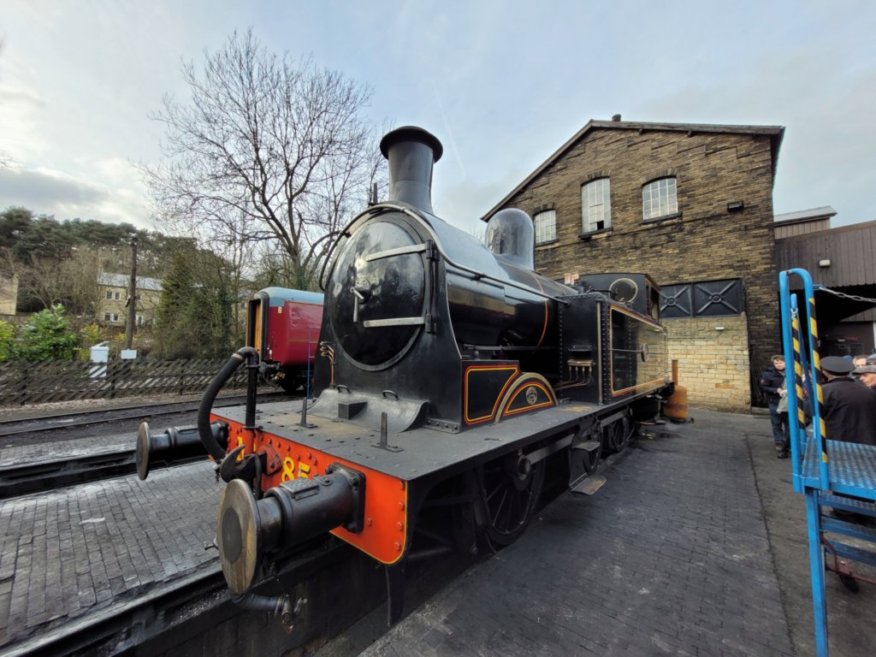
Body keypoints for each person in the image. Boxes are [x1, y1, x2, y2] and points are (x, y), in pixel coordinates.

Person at [820, 356, 876, 445]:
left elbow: (808, 412)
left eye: (865, 375)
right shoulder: (868, 391)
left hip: (838, 444)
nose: (861, 378)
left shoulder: (823, 391)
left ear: (825, 372)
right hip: (868, 443)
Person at [759, 355, 789, 458]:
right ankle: (779, 442)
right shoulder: (768, 374)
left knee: (789, 424)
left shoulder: (791, 372)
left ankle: (788, 443)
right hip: (775, 402)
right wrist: (776, 390)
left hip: (789, 403)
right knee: (776, 423)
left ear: (785, 362)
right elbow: (763, 387)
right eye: (776, 363)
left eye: (780, 362)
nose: (778, 364)